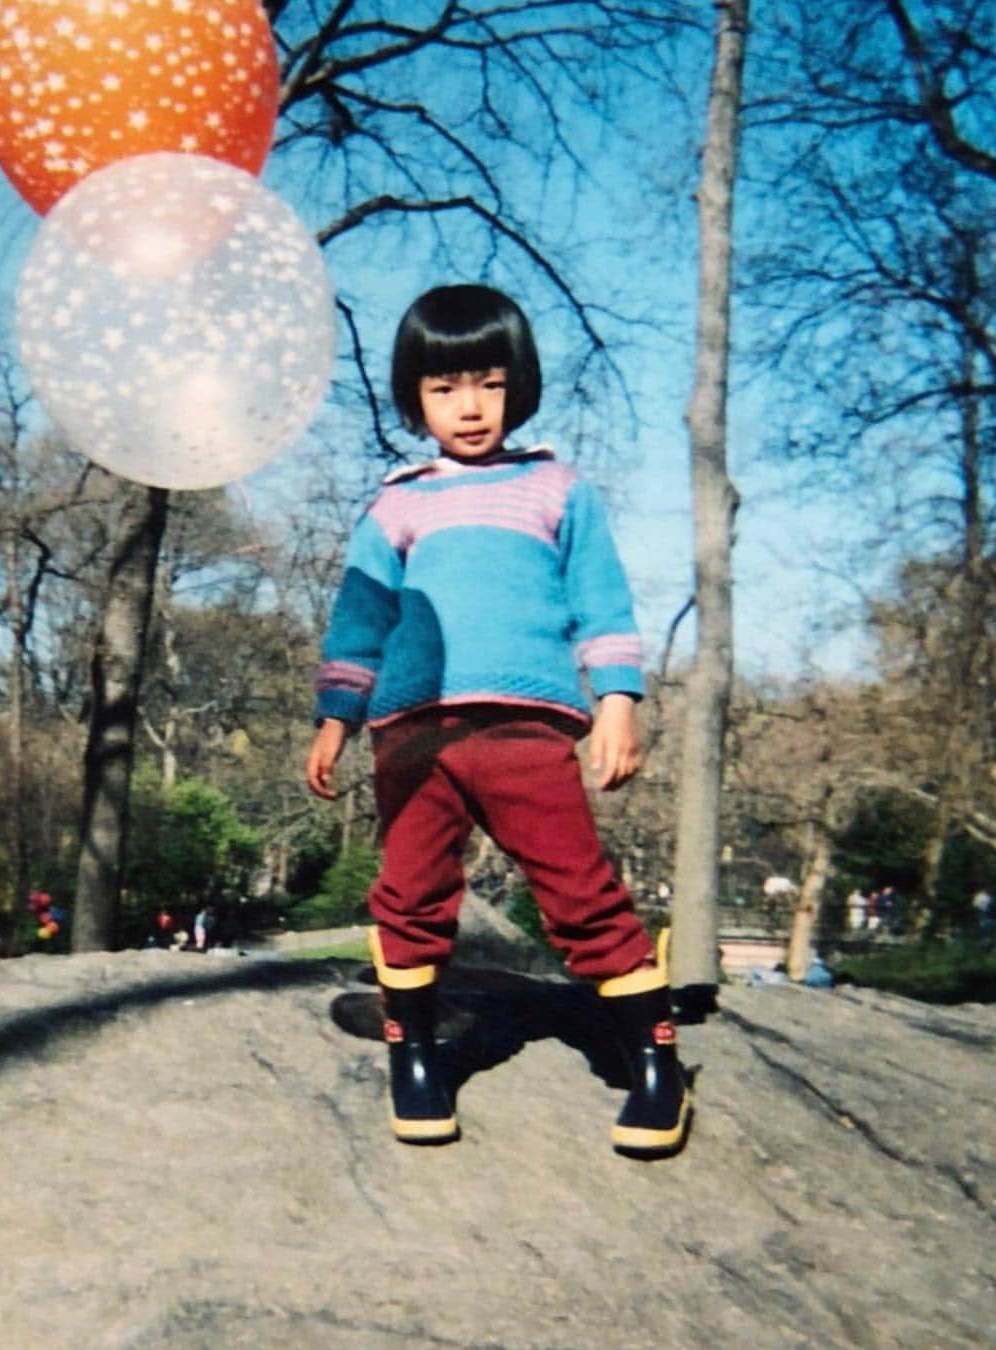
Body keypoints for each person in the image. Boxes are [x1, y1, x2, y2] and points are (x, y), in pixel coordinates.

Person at [306, 284, 690, 1158]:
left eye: (486, 382)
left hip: (529, 730)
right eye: (444, 389)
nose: (469, 406)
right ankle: (414, 1060)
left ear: (519, 383)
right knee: (407, 895)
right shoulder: (396, 504)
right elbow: (359, 621)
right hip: (414, 733)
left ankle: (657, 1064)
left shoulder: (558, 489)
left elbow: (601, 603)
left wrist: (617, 703)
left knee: (580, 893)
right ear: (415, 398)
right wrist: (336, 717)